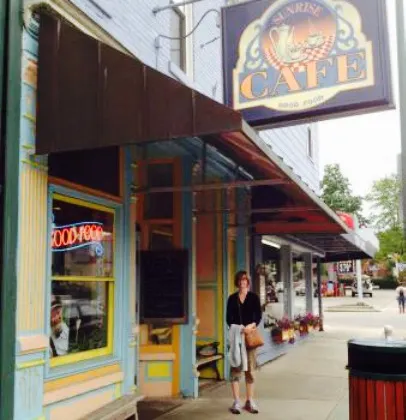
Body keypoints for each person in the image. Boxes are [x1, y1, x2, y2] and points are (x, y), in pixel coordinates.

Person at [226, 270, 262, 414]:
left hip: (250, 338)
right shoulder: (232, 298)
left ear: (248, 282)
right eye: (241, 280)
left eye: (245, 280)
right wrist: (240, 329)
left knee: (250, 371)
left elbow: (258, 316)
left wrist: (250, 326)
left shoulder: (254, 297)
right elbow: (228, 319)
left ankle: (250, 401)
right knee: (236, 369)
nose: (243, 282)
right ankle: (236, 402)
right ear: (237, 282)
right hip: (237, 338)